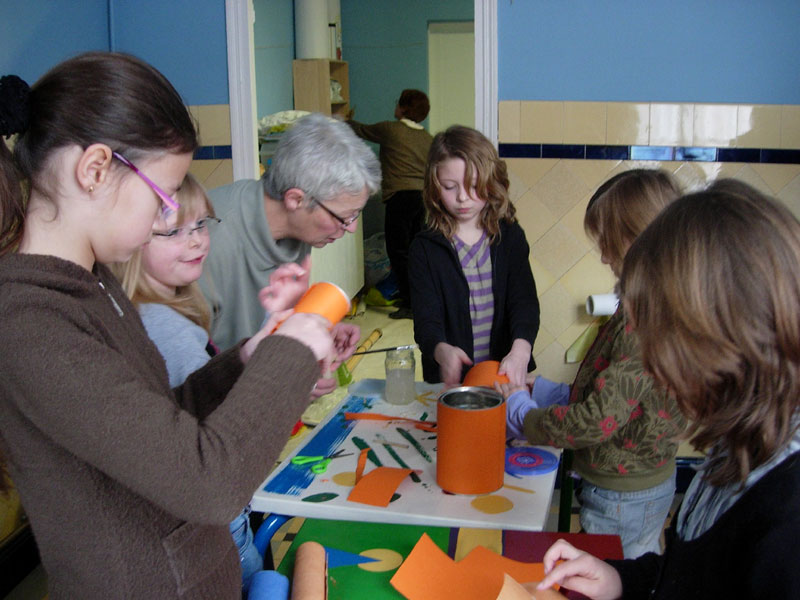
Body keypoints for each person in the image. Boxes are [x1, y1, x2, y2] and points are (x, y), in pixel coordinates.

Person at [0, 53, 334, 599]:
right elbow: (209, 485)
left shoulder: (93, 284)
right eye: (162, 197)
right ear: (95, 170)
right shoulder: (30, 322)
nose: (166, 218)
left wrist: (246, 360)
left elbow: (160, 422)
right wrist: (291, 354)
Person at [535, 179, 800, 599]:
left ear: (724, 337)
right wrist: (621, 579)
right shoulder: (739, 447)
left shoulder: (787, 521)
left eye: (660, 341)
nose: (653, 367)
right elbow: (690, 574)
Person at [113, 174, 302, 592]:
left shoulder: (156, 309)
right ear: (131, 242)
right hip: (218, 525)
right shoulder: (166, 327)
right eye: (173, 231)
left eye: (200, 224)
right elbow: (219, 429)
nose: (196, 240)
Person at [500, 169, 687, 559]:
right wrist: (549, 392)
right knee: (629, 566)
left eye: (609, 244)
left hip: (624, 497)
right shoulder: (653, 303)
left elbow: (596, 421)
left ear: (641, 240)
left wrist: (525, 416)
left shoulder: (644, 321)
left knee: (613, 574)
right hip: (634, 488)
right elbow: (619, 393)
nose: (603, 257)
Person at [200, 113, 381, 388]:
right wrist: (286, 384)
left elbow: (271, 321)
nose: (352, 228)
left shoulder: (297, 228)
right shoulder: (206, 244)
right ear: (295, 199)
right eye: (345, 217)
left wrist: (312, 333)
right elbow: (188, 385)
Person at [408, 125, 539, 386]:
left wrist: (521, 350)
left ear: (491, 181)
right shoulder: (424, 248)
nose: (463, 198)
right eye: (449, 187)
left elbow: (524, 303)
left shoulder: (509, 237)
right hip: (452, 382)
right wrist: (441, 351)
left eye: (474, 186)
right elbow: (426, 321)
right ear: (434, 186)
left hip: (502, 374)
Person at [347, 89, 434, 319]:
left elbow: (360, 130)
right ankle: (416, 300)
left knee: (398, 251)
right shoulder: (428, 139)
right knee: (414, 251)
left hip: (400, 197)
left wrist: (343, 118)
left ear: (403, 108)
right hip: (421, 198)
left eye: (398, 102)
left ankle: (409, 304)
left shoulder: (391, 129)